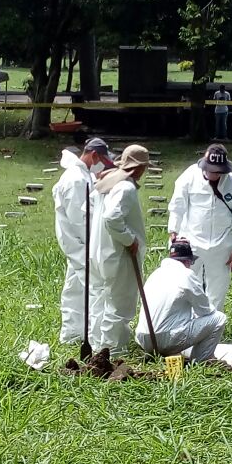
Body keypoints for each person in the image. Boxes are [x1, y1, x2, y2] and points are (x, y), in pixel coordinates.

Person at [167, 144, 232, 312]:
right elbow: (177, 205)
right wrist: (173, 231)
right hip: (192, 240)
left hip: (222, 244)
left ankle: (213, 324)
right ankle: (188, 322)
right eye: (210, 170)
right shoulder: (189, 176)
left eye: (217, 171)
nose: (213, 174)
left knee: (218, 289)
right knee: (188, 284)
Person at [88, 144, 151, 354]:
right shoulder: (125, 187)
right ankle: (113, 349)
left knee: (100, 298)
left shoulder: (106, 182)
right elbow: (113, 217)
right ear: (139, 167)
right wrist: (129, 239)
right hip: (118, 253)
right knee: (119, 303)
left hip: (98, 251)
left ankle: (97, 342)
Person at [52, 138, 114, 345]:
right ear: (94, 155)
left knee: (75, 288)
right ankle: (95, 337)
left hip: (77, 243)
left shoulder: (81, 175)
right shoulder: (76, 180)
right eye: (103, 161)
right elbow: (80, 219)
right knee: (93, 289)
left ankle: (72, 334)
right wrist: (93, 244)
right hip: (80, 243)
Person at [135, 239, 227, 363]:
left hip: (144, 339)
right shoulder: (186, 274)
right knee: (218, 318)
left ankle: (157, 354)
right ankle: (201, 362)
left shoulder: (155, 274)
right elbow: (205, 311)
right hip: (165, 339)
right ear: (188, 261)